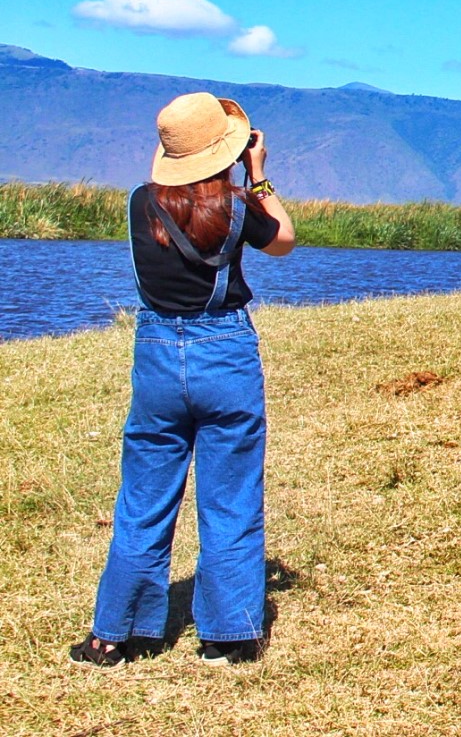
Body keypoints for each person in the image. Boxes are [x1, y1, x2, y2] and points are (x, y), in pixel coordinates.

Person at [71, 93, 296, 668]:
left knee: (143, 500)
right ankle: (228, 636)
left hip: (157, 358)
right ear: (225, 148)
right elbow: (285, 241)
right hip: (226, 353)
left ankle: (113, 636)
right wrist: (260, 175)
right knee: (231, 498)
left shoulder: (138, 204)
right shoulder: (241, 207)